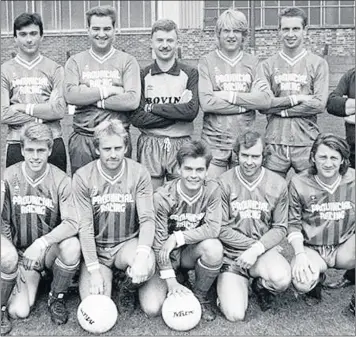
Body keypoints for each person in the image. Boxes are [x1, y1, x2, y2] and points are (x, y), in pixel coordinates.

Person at [1, 123, 80, 335]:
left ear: (50, 150)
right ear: (22, 149)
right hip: (22, 255)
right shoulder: (8, 177)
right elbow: (4, 222)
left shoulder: (62, 180)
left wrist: (41, 243)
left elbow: (72, 223)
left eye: (41, 150)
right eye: (30, 150)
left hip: (46, 252)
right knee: (19, 311)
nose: (35, 156)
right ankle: (12, 289)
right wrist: (15, 259)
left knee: (72, 246)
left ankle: (57, 297)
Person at [72, 119, 156, 314]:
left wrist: (142, 256)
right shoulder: (83, 176)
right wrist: (93, 271)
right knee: (96, 308)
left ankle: (127, 285)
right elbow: (85, 227)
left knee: (148, 265)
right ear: (97, 149)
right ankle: (109, 276)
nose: (113, 154)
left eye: (118, 148)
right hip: (98, 249)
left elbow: (147, 219)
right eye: (107, 148)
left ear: (126, 147)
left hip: (125, 245)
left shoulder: (139, 173)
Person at [139, 140, 223, 321]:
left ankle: (200, 295)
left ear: (207, 171)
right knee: (152, 308)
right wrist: (170, 282)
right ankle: (174, 276)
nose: (194, 175)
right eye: (188, 169)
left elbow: (213, 228)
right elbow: (159, 242)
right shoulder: (162, 197)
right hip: (163, 254)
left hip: (188, 252)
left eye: (199, 170)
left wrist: (178, 237)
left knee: (213, 247)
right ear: (178, 169)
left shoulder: (213, 190)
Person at [217, 131, 291, 321]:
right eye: (245, 155)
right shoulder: (223, 182)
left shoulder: (279, 183)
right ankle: (220, 287)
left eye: (255, 156)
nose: (249, 162)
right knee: (235, 315)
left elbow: (281, 227)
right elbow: (220, 227)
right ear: (237, 154)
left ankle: (259, 285)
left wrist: (258, 249)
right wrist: (253, 247)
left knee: (281, 278)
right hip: (231, 256)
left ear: (263, 156)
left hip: (261, 253)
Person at [64, 5, 140, 175]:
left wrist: (88, 95)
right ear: (88, 30)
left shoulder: (127, 61)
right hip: (84, 137)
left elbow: (132, 100)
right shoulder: (75, 61)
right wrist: (110, 90)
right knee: (83, 191)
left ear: (115, 30)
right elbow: (70, 95)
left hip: (117, 140)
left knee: (117, 194)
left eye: (107, 28)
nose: (101, 34)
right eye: (96, 28)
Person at [198, 8, 272, 178]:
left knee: (240, 197)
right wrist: (247, 103)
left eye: (236, 31)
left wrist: (227, 96)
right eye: (226, 31)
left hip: (245, 144)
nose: (231, 36)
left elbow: (265, 101)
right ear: (218, 34)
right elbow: (207, 103)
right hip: (214, 143)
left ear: (243, 35)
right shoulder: (206, 61)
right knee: (213, 194)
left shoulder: (253, 62)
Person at [257, 7, 329, 177]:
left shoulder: (318, 63)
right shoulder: (266, 65)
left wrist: (280, 109)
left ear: (305, 31)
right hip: (275, 141)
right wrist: (298, 99)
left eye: (296, 29)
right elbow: (263, 105)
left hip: (307, 141)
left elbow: (319, 104)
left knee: (309, 195)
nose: (290, 34)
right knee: (273, 195)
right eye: (286, 29)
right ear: (279, 32)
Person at [288, 134, 354, 312]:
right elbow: (292, 223)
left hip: (345, 247)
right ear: (312, 158)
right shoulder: (298, 182)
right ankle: (316, 281)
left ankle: (353, 276)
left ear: (342, 160)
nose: (328, 163)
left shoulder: (353, 180)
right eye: (322, 157)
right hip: (313, 247)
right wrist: (300, 254)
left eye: (334, 158)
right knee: (302, 282)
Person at [131, 19, 199, 190]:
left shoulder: (190, 73)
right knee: (151, 197)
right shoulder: (143, 74)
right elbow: (138, 118)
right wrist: (177, 114)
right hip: (150, 142)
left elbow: (191, 112)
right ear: (151, 43)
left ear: (177, 43)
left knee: (180, 198)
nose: (165, 45)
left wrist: (153, 108)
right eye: (160, 40)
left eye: (170, 40)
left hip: (180, 142)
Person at [1, 13, 67, 172]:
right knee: (20, 197)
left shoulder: (55, 69)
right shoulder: (5, 70)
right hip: (18, 143)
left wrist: (21, 107)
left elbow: (59, 110)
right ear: (15, 38)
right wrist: (45, 112)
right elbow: (3, 114)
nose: (29, 39)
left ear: (42, 36)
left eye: (33, 33)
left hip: (52, 141)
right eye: (23, 34)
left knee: (54, 195)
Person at [326, 68, 355, 290]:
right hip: (353, 152)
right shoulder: (352, 75)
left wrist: (350, 107)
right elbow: (332, 103)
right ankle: (352, 275)